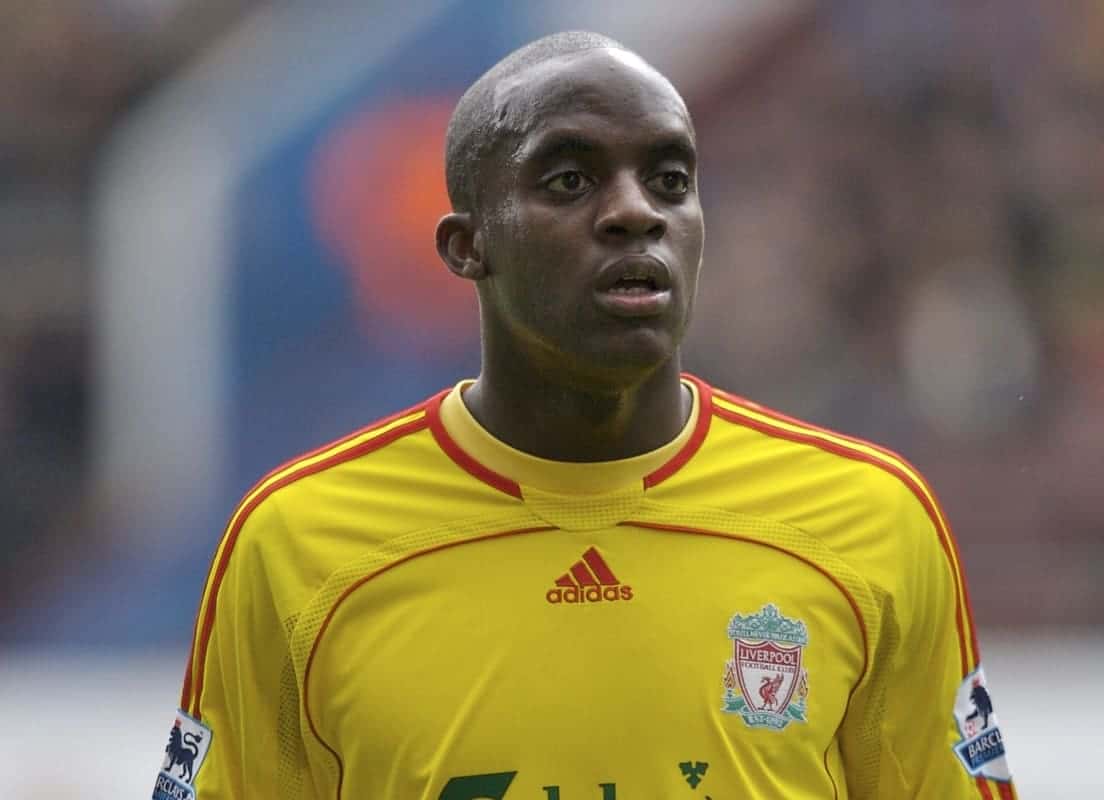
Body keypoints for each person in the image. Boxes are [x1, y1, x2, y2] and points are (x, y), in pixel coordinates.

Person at [154, 31, 1017, 800]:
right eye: (569, 178)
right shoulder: (299, 545)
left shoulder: (869, 521)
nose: (637, 211)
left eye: (670, 179)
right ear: (468, 245)